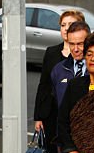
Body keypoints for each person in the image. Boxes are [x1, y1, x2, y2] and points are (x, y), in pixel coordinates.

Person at [33, 10, 85, 143]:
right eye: (63, 25)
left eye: (71, 24)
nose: (66, 28)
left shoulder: (86, 54)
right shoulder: (51, 52)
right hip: (52, 113)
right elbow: (43, 85)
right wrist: (38, 116)